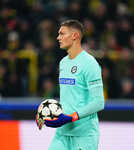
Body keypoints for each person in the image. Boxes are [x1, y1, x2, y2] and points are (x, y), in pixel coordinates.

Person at [36, 19, 104, 150]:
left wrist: (71, 117)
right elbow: (70, 98)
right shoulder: (63, 63)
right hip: (63, 133)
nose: (58, 37)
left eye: (62, 34)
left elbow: (99, 102)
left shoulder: (90, 64)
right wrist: (44, 113)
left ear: (75, 36)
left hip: (84, 135)